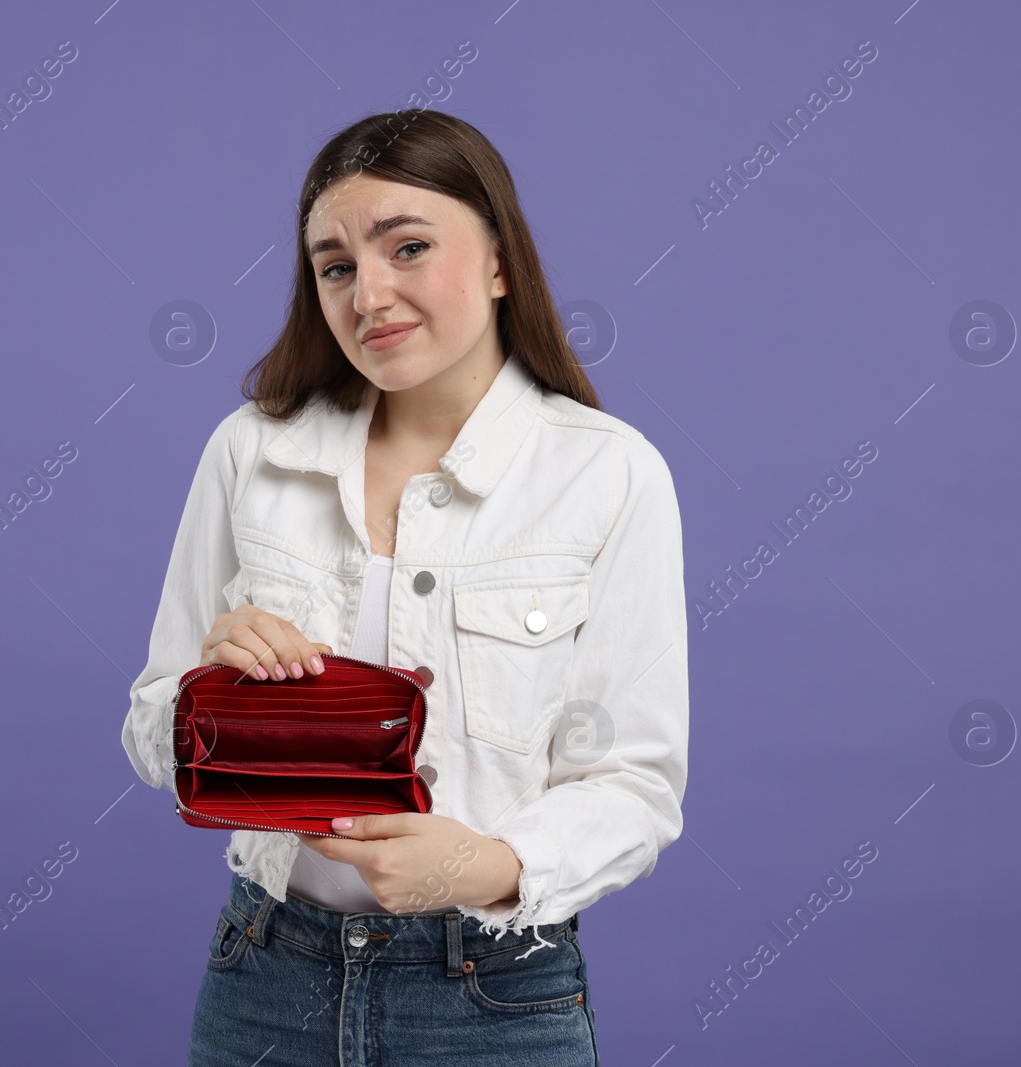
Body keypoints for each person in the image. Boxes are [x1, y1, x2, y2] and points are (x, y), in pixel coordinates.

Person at [122, 109, 689, 1066]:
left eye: (409, 247)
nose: (368, 293)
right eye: (335, 265)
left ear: (501, 261)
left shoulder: (610, 475)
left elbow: (635, 785)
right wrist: (206, 700)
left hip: (495, 991)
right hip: (266, 978)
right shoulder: (251, 451)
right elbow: (150, 727)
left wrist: (482, 863)